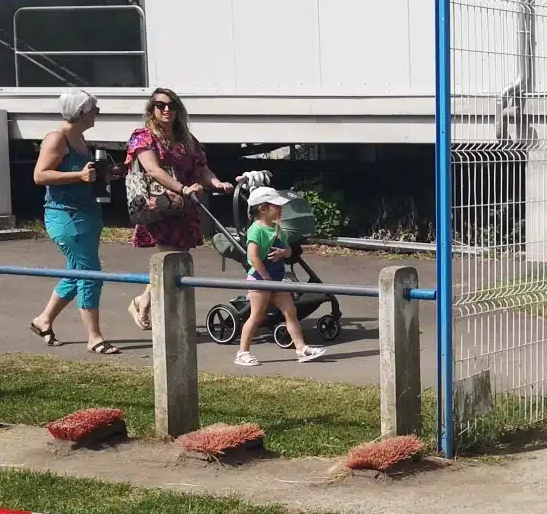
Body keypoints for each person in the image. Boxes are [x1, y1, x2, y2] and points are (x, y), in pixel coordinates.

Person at [125, 87, 229, 330]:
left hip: (185, 207)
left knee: (177, 258)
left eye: (171, 105)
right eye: (160, 105)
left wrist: (217, 183)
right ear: (151, 109)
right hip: (159, 206)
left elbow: (202, 168)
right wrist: (182, 189)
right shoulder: (143, 136)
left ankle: (143, 302)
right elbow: (153, 170)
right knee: (168, 260)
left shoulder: (186, 139)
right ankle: (166, 318)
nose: (166, 109)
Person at [28, 90, 118, 354]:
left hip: (87, 213)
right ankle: (94, 337)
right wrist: (78, 175)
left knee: (75, 271)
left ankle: (43, 320)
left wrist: (104, 175)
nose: (97, 113)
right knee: (90, 274)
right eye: (94, 109)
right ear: (81, 113)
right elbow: (40, 176)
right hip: (65, 215)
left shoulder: (80, 139)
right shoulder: (57, 139)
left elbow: (85, 175)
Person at [234, 187, 325, 365]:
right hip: (260, 279)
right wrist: (265, 278)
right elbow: (253, 257)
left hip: (277, 279)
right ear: (263, 208)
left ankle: (301, 348)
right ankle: (242, 352)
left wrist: (283, 252)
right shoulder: (256, 230)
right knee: (257, 316)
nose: (281, 208)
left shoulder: (278, 229)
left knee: (291, 312)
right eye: (277, 205)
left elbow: (289, 251)